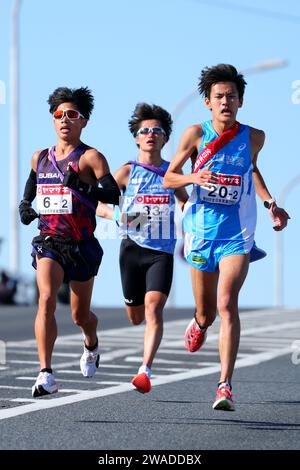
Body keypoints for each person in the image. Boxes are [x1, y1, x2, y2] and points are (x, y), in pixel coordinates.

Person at [163, 64, 290, 411]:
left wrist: (270, 205)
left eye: (231, 96)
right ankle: (200, 324)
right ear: (207, 102)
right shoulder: (193, 135)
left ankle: (224, 385)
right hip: (202, 234)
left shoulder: (254, 137)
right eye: (219, 96)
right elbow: (169, 178)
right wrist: (193, 179)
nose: (225, 102)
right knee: (207, 312)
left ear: (241, 101)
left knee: (226, 304)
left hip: (237, 234)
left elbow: (252, 169)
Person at [19, 86, 120, 397]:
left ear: (83, 121)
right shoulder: (41, 157)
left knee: (80, 315)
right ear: (53, 121)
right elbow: (33, 182)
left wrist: (82, 187)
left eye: (72, 115)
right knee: (46, 300)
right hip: (49, 241)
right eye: (59, 115)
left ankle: (90, 343)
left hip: (81, 245)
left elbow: (114, 195)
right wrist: (25, 204)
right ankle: (45, 374)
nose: (65, 120)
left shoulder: (91, 157)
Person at [97, 103, 188, 393]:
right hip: (131, 249)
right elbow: (99, 205)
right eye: (144, 130)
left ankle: (144, 369)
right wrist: (121, 216)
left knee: (154, 308)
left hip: (161, 252)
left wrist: (189, 230)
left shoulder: (172, 173)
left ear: (165, 138)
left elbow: (186, 202)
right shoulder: (126, 172)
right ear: (136, 138)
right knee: (135, 316)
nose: (150, 134)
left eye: (157, 131)